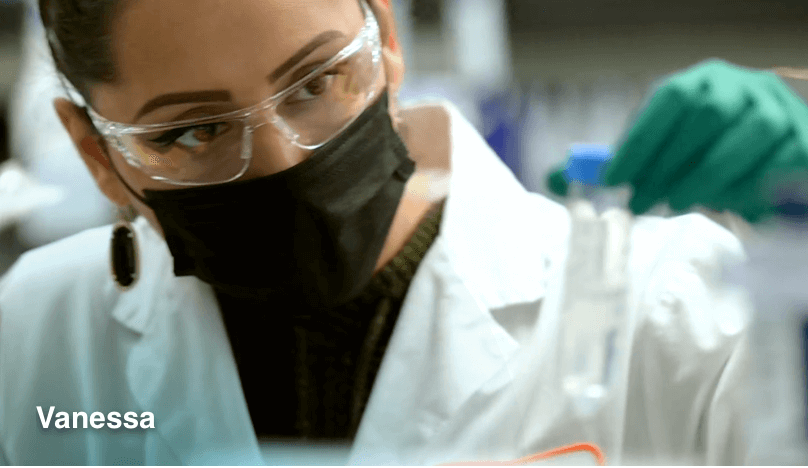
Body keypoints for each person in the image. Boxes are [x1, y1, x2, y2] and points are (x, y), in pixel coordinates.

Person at [1, 0, 807, 465]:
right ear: (96, 151)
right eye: (194, 133)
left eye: (318, 81)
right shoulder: (44, 330)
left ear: (384, 38)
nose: (287, 157)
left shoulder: (662, 302)